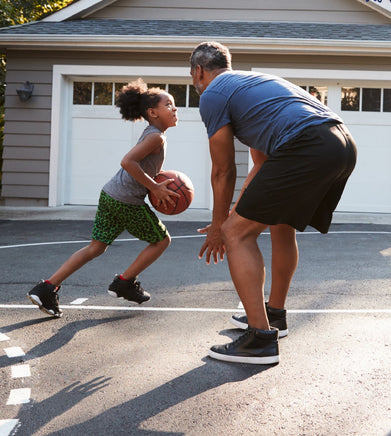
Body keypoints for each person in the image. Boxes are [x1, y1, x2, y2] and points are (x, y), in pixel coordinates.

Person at [190, 41, 357, 365]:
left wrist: (221, 227)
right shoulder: (252, 85)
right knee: (279, 223)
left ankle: (260, 339)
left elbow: (223, 170)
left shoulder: (213, 94)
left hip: (307, 145)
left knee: (237, 235)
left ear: (198, 71)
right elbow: (261, 164)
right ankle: (274, 315)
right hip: (341, 143)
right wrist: (239, 210)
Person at [27, 80, 179, 318]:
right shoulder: (156, 137)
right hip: (126, 201)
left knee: (96, 247)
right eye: (169, 104)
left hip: (110, 195)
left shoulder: (154, 135)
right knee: (162, 240)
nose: (175, 109)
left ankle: (47, 287)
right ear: (152, 112)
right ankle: (124, 282)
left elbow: (138, 165)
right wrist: (154, 188)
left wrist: (153, 181)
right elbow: (127, 162)